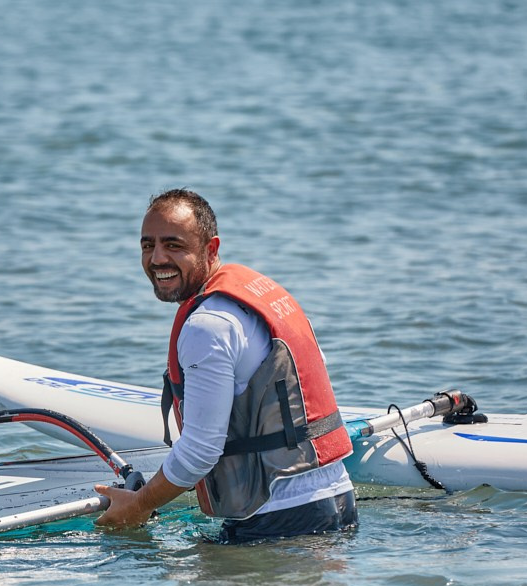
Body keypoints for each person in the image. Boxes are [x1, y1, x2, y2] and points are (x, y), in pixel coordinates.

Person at [95, 189, 358, 542]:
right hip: (337, 502)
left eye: (173, 245)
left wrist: (140, 504)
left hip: (278, 520)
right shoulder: (263, 296)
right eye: (148, 245)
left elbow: (201, 451)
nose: (157, 258)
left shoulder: (209, 326)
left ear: (211, 249)